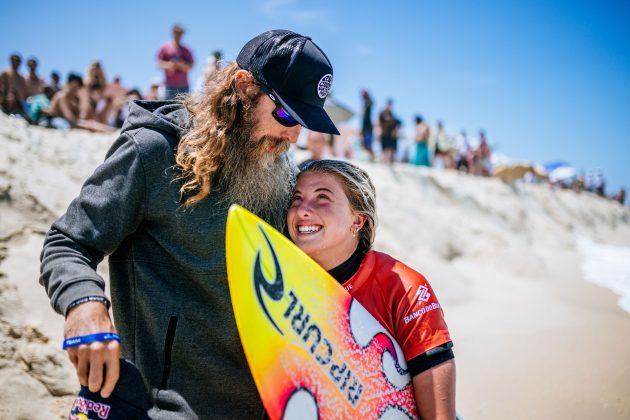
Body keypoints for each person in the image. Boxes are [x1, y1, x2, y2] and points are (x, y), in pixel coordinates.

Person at [40, 29, 339, 418]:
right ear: (244, 88)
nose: (293, 134)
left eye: (303, 122)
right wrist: (83, 303)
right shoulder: (154, 152)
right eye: (285, 114)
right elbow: (67, 242)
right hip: (162, 406)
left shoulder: (279, 172)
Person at [287, 159, 456, 418]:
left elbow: (439, 414)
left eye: (322, 198)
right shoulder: (281, 282)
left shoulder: (403, 287)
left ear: (358, 221)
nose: (302, 211)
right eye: (297, 198)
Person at [156, 24, 194, 99]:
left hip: (184, 86)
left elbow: (191, 66)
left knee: (184, 109)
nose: (179, 35)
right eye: (177, 32)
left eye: (181, 33)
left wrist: (181, 65)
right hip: (169, 86)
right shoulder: (165, 47)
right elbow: (158, 64)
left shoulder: (186, 50)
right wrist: (171, 64)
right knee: (168, 109)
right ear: (173, 33)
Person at [379, 99, 399, 164]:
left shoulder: (392, 115)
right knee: (384, 149)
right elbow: (379, 122)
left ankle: (389, 163)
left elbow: (396, 124)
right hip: (384, 134)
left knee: (390, 149)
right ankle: (384, 163)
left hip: (390, 135)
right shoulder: (382, 113)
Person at [360, 89, 375, 162]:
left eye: (363, 94)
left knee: (367, 144)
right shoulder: (366, 103)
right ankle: (371, 158)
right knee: (365, 144)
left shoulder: (368, 102)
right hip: (366, 127)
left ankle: (372, 157)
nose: (361, 95)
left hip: (367, 127)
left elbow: (372, 102)